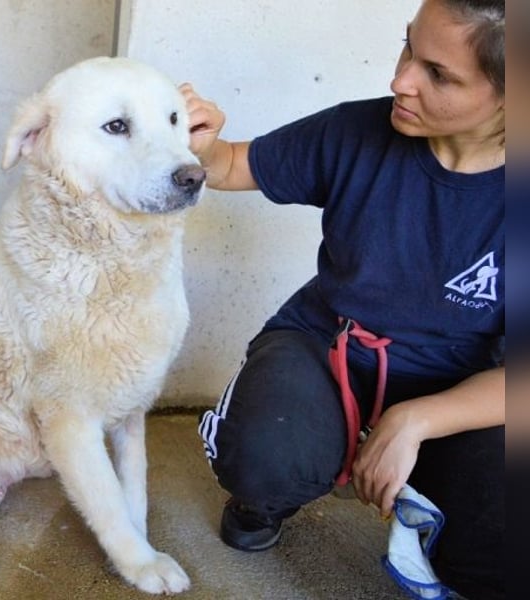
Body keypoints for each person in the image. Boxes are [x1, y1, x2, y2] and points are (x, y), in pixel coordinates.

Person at [183, 1, 505, 598]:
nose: (400, 80)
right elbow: (231, 164)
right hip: (327, 345)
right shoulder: (358, 130)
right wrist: (201, 144)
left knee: (504, 539)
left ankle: (441, 515)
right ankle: (266, 497)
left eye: (439, 74)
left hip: (459, 387)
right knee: (266, 454)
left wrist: (416, 420)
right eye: (409, 48)